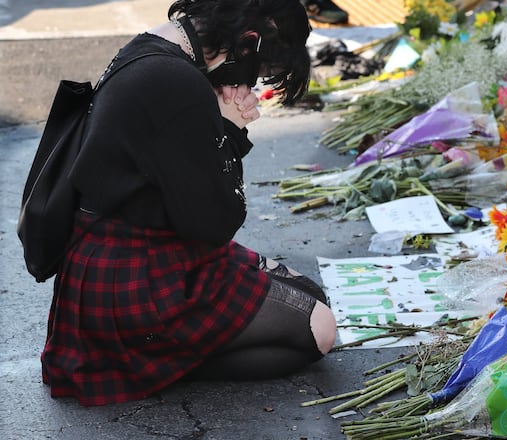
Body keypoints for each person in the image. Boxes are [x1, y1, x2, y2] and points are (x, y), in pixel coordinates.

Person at [40, 0, 337, 406]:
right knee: (320, 329)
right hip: (137, 280)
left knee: (310, 293)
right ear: (248, 43)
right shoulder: (178, 83)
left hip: (119, 261)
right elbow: (216, 222)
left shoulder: (152, 50)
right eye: (258, 72)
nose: (249, 84)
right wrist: (231, 128)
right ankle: (157, 361)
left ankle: (158, 356)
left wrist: (216, 117)